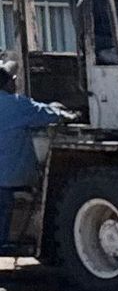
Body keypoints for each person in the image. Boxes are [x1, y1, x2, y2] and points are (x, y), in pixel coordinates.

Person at [0, 67, 73, 242]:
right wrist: (66, 113)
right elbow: (46, 114)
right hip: (7, 180)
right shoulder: (16, 104)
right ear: (9, 83)